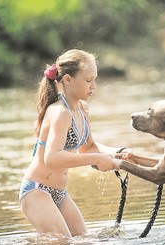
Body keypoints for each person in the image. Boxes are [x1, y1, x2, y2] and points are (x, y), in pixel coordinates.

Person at [19, 49, 126, 237]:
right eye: (88, 80)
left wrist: (119, 152)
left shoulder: (83, 108)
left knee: (84, 240)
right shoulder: (60, 112)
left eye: (95, 79)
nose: (93, 86)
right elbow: (52, 158)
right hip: (36, 191)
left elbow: (88, 147)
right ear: (67, 80)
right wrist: (98, 158)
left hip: (60, 193)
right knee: (65, 242)